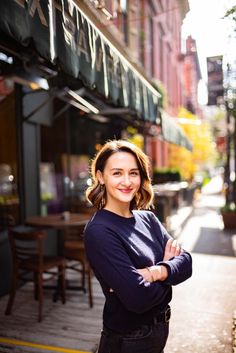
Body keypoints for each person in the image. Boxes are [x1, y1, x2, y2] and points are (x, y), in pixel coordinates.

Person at [84, 139, 192, 353]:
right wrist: (170, 272)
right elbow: (138, 299)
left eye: (133, 173)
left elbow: (187, 262)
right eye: (117, 173)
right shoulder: (99, 231)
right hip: (129, 339)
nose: (127, 181)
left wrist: (154, 272)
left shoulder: (148, 220)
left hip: (158, 331)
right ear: (100, 177)